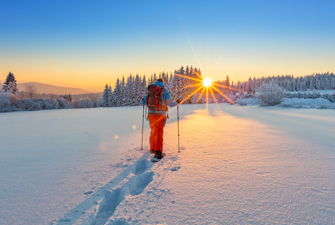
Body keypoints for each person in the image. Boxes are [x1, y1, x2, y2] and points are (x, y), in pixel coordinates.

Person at [142, 78, 180, 159]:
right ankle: (158, 152)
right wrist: (177, 102)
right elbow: (170, 104)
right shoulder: (165, 91)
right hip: (160, 115)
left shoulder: (151, 90)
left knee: (153, 130)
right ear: (163, 83)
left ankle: (152, 149)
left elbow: (144, 102)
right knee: (159, 131)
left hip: (151, 114)